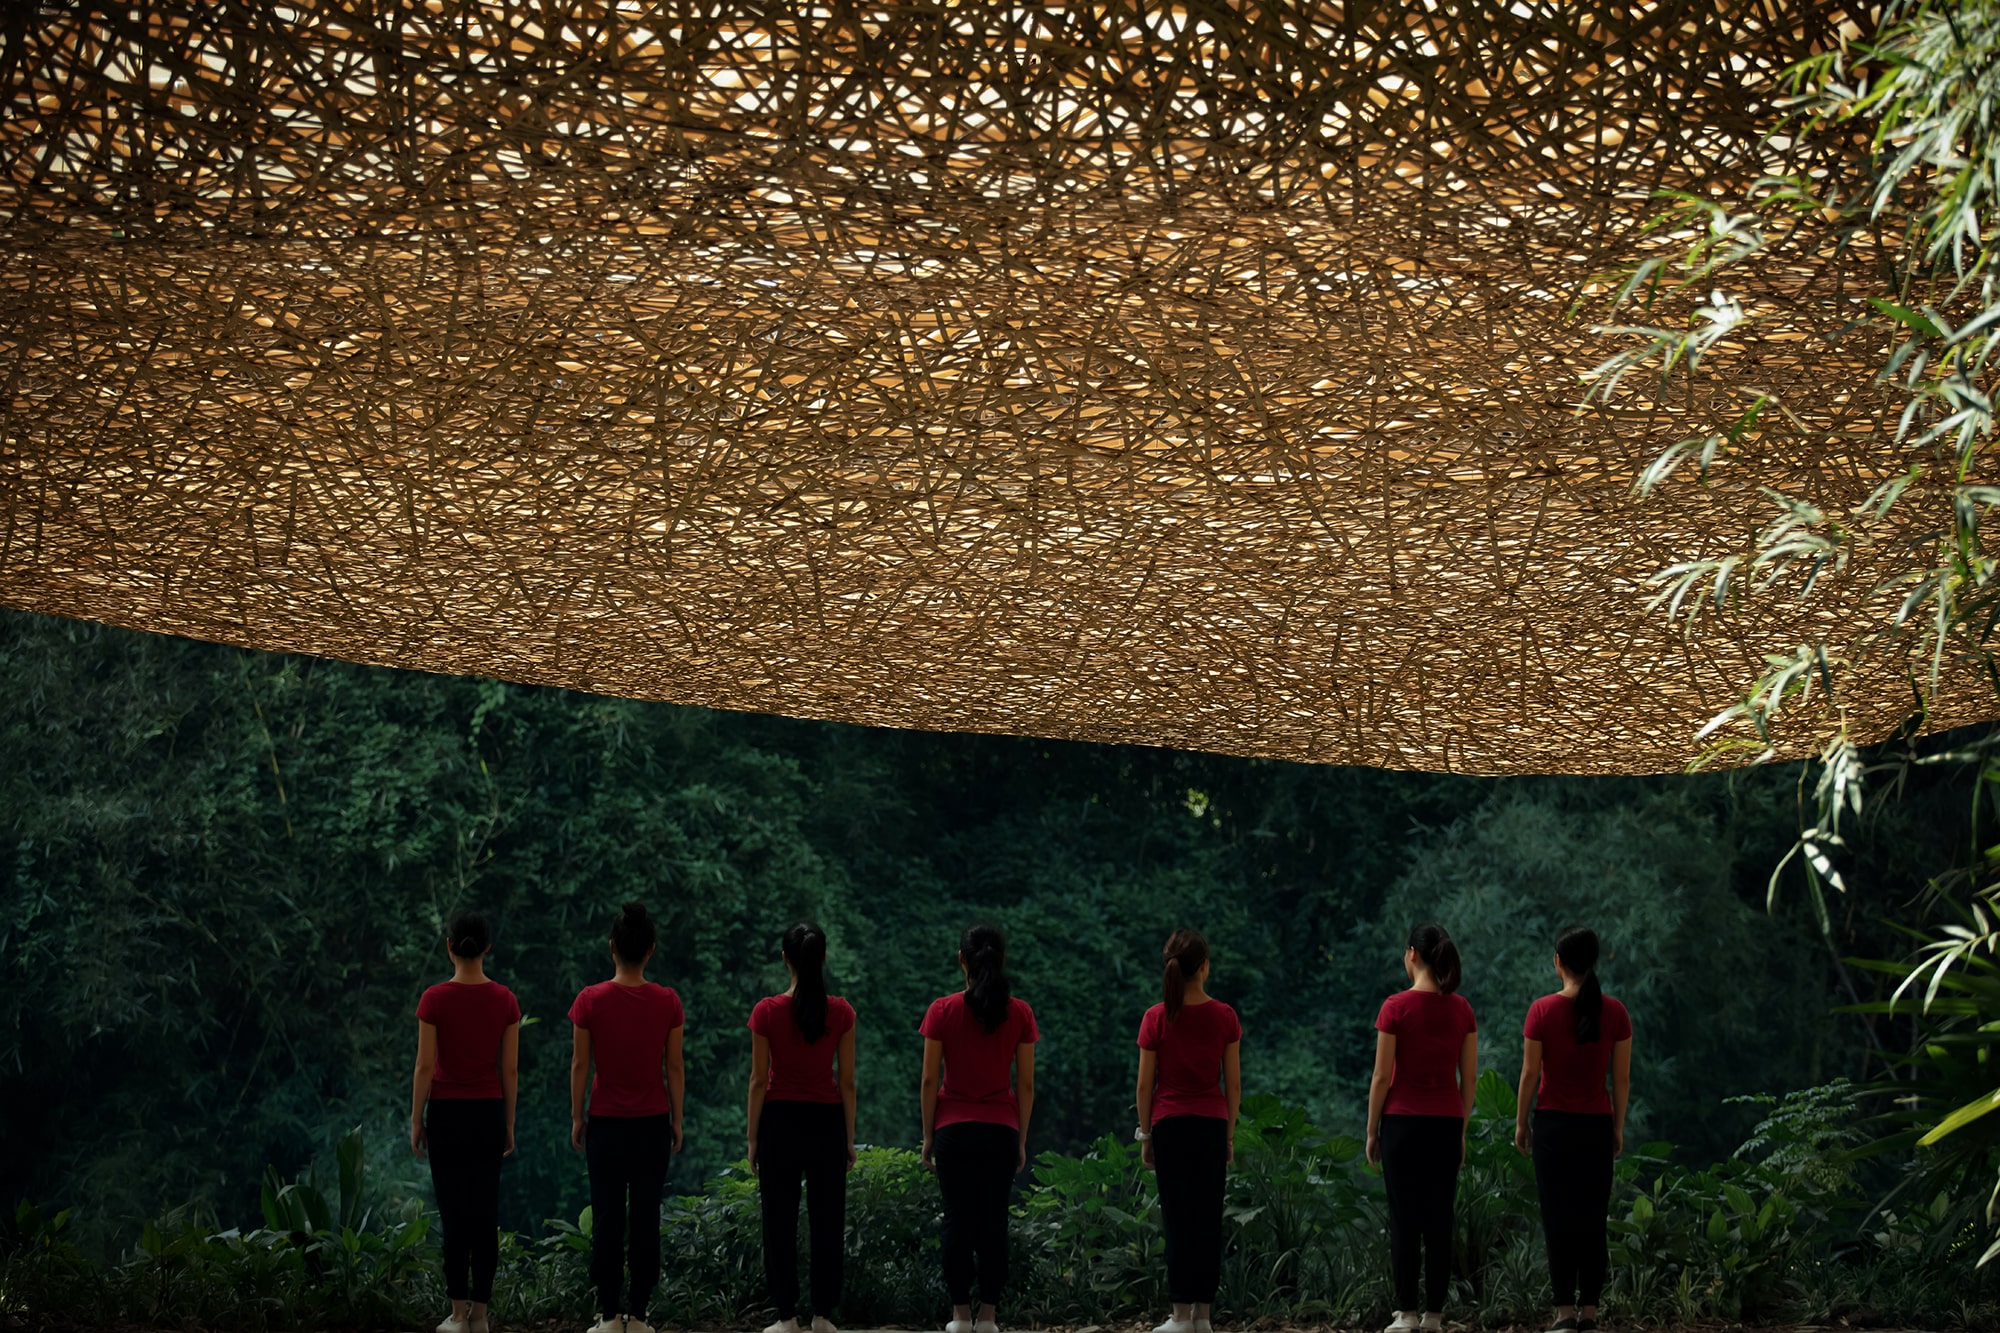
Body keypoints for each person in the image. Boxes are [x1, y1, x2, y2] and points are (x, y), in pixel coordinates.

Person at [570, 903, 686, 1333]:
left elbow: (580, 1065)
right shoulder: (667, 1001)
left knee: (606, 1219)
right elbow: (674, 1067)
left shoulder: (589, 1000)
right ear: (651, 950)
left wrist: (576, 1116)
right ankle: (639, 1314)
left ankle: (607, 1315)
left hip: (605, 1123)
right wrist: (677, 1119)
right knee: (645, 1218)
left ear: (611, 947)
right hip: (653, 1123)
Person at [1513, 926, 1633, 1333]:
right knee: (1592, 1218)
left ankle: (1563, 1312)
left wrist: (1520, 1122)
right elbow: (1621, 1081)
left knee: (1558, 1217)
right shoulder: (1616, 1012)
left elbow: (1530, 1074)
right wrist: (1617, 1127)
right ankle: (1590, 1312)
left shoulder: (1541, 1010)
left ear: (1558, 963)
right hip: (1596, 1125)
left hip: (1553, 1126)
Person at [920, 925, 1038, 1333]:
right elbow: (1025, 1083)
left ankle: (958, 1314)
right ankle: (988, 1315)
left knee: (957, 1219)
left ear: (961, 961)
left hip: (953, 1130)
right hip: (1001, 1130)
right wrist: (1020, 1138)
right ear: (1002, 960)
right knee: (993, 1221)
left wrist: (929, 1137)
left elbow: (929, 1081)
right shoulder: (1020, 1013)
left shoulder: (942, 1010)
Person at [410, 910, 521, 1333]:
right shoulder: (505, 1000)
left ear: (449, 945)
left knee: (454, 1213)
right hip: (487, 1112)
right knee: (484, 1212)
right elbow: (509, 1071)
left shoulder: (433, 999)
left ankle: (456, 1314)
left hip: (446, 1114)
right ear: (487, 947)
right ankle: (481, 1314)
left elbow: (424, 1067)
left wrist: (417, 1119)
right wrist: (508, 1123)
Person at [1365, 923, 1477, 1333]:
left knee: (1405, 1217)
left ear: (1412, 953)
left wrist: (1372, 1129)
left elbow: (1381, 1077)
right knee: (1439, 1218)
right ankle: (1434, 1316)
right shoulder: (1462, 1010)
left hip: (1402, 1123)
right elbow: (1470, 1079)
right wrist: (1461, 1130)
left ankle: (1407, 1313)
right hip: (1446, 1122)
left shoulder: (1394, 1007)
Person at [748, 923, 858, 1333]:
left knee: (779, 1220)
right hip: (826, 1122)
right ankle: (823, 1316)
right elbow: (846, 1081)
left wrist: (753, 1136)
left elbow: (759, 1080)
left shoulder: (767, 1011)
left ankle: (786, 1317)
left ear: (785, 959)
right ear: (824, 958)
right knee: (827, 1220)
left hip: (779, 1120)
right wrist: (847, 1136)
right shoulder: (842, 1012)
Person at [1135, 929, 1241, 1333]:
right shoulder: (1225, 1016)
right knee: (1208, 1219)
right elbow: (1232, 1085)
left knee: (1178, 1219)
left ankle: (1179, 1316)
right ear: (1204, 967)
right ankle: (1203, 1316)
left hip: (1170, 1125)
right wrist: (1228, 1135)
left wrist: (1146, 1134)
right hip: (1211, 1124)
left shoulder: (1156, 1017)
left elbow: (1145, 1085)